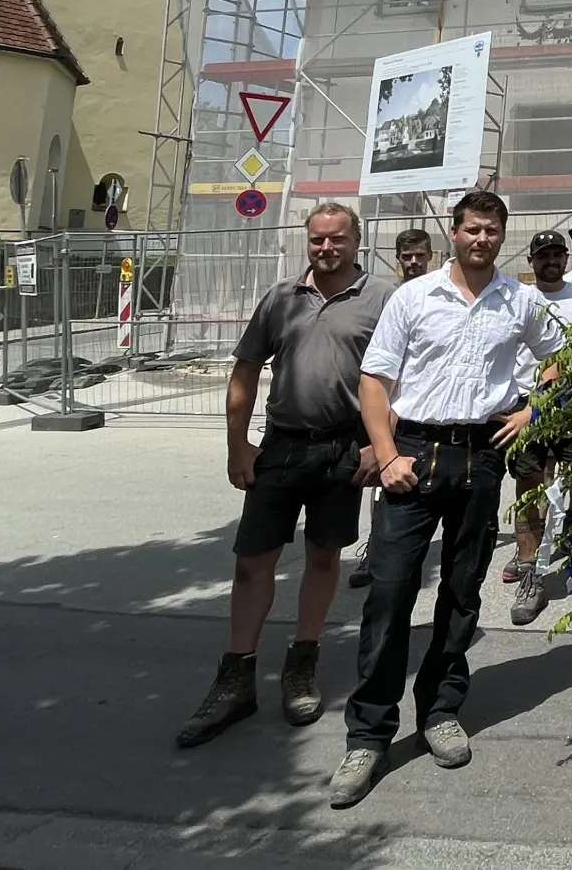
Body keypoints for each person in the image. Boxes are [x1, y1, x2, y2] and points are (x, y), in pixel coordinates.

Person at [329, 191, 566, 808]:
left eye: (492, 231)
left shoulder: (520, 300)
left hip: (480, 457)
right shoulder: (413, 297)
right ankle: (369, 734)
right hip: (414, 454)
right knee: (389, 593)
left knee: (463, 593)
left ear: (501, 236)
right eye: (472, 229)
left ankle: (439, 711)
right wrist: (386, 456)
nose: (481, 239)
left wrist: (533, 410)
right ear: (453, 233)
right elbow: (375, 381)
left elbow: (564, 360)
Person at [176, 203, 394, 749]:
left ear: (356, 240)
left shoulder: (383, 298)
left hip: (343, 450)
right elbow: (245, 370)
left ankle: (302, 662)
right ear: (308, 241)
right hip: (281, 448)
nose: (326, 248)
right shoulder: (280, 297)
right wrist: (236, 446)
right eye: (317, 239)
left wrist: (379, 444)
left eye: (336, 239)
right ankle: (236, 678)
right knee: (252, 563)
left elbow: (402, 377)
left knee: (323, 557)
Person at [504, 230, 572, 625]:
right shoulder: (516, 298)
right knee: (529, 488)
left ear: (567, 257)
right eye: (543, 255)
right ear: (532, 260)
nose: (551, 261)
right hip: (526, 406)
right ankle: (531, 571)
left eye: (558, 254)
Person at [348, 228, 435, 590]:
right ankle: (377, 549)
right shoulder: (388, 296)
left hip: (424, 406)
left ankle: (407, 550)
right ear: (397, 258)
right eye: (406, 256)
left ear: (430, 255)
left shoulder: (438, 293)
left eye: (419, 255)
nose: (413, 262)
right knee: (379, 476)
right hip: (387, 400)